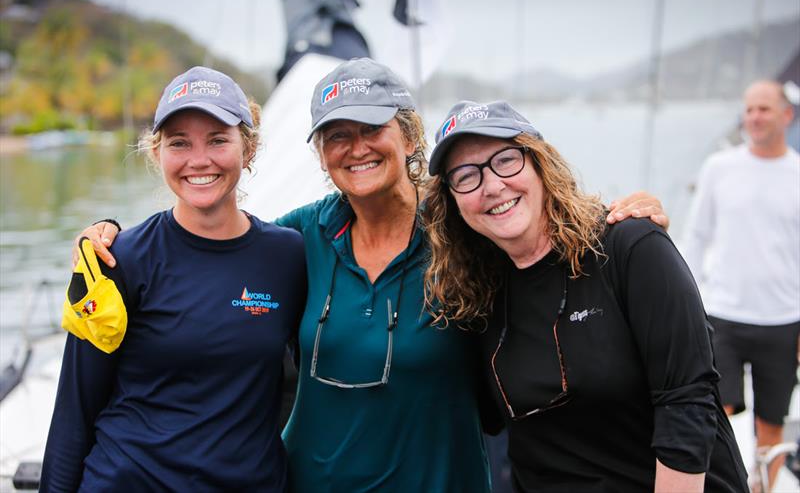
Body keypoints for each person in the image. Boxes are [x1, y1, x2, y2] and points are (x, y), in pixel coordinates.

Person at [75, 58, 669, 492]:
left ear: (408, 135)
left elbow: (540, 232)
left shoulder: (465, 225)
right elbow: (210, 248)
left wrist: (617, 221)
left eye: (371, 129)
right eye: (337, 135)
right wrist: (113, 239)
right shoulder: (297, 239)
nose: (355, 147)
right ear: (320, 153)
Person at [423, 100, 749, 492]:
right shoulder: (476, 295)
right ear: (453, 201)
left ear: (540, 164)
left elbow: (687, 400)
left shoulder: (628, 247)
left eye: (506, 160)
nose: (492, 185)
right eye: (466, 176)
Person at [40, 66, 308, 492]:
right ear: (157, 152)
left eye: (218, 140)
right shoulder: (116, 258)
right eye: (179, 143)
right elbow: (74, 408)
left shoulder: (288, 255)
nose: (198, 160)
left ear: (249, 148)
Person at [682, 79, 800, 490]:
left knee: (771, 425)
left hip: (783, 320)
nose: (753, 117)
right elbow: (696, 237)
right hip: (722, 316)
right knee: (716, 415)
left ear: (787, 115)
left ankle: (764, 488)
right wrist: (690, 300)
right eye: (749, 109)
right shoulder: (720, 168)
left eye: (764, 109)